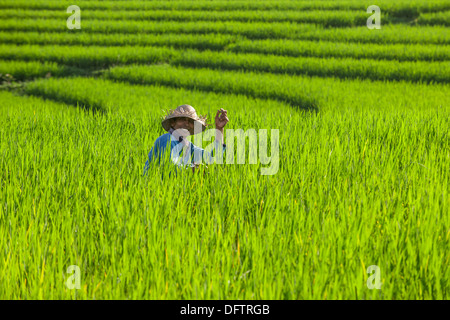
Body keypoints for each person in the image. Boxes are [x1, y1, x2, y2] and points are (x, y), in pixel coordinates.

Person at [143, 104, 229, 176]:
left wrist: (219, 128)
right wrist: (190, 170)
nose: (187, 124)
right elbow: (168, 168)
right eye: (182, 119)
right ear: (173, 122)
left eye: (190, 121)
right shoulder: (166, 139)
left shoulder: (188, 146)